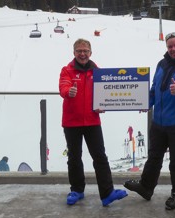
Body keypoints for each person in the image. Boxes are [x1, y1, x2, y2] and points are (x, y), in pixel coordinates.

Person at [124, 32, 175, 210]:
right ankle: (146, 187)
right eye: (170, 46)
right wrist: (147, 102)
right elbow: (155, 89)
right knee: (153, 157)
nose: (173, 49)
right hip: (159, 121)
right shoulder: (162, 64)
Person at [59, 38, 127, 207]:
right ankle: (77, 190)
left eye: (85, 51)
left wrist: (102, 105)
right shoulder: (67, 70)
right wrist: (69, 91)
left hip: (92, 121)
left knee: (100, 157)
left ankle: (107, 193)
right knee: (74, 157)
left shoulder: (98, 72)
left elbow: (105, 93)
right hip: (72, 121)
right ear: (74, 53)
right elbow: (63, 87)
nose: (82, 54)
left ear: (90, 53)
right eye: (79, 51)